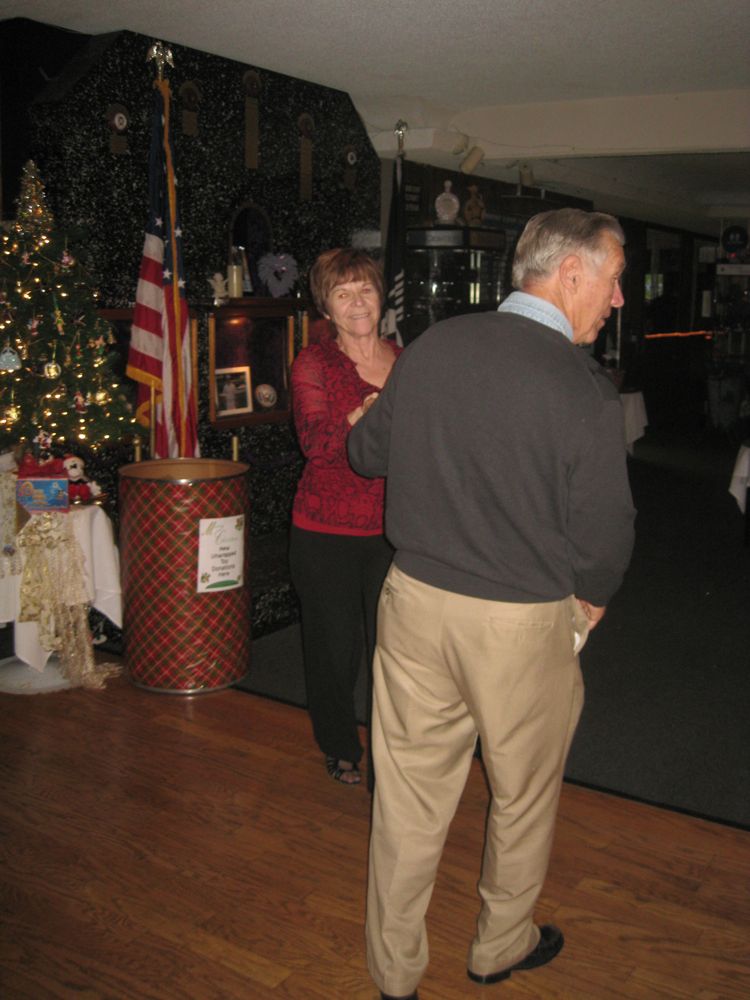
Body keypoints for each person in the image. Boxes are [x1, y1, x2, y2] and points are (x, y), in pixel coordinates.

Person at [347, 208, 636, 999]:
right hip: (518, 623)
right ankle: (497, 946)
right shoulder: (583, 390)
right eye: (612, 280)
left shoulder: (435, 346)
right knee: (522, 792)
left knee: (405, 797)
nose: (617, 300)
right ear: (569, 274)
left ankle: (395, 971)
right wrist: (595, 601)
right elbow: (607, 532)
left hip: (411, 604)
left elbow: (364, 452)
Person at [290, 248, 402, 786]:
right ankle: (338, 745)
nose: (358, 302)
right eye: (344, 293)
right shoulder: (314, 363)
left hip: (396, 534)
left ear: (381, 297)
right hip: (325, 533)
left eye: (366, 290)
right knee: (335, 653)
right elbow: (316, 444)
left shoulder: (406, 359)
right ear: (327, 309)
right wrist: (364, 412)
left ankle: (393, 756)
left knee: (398, 654)